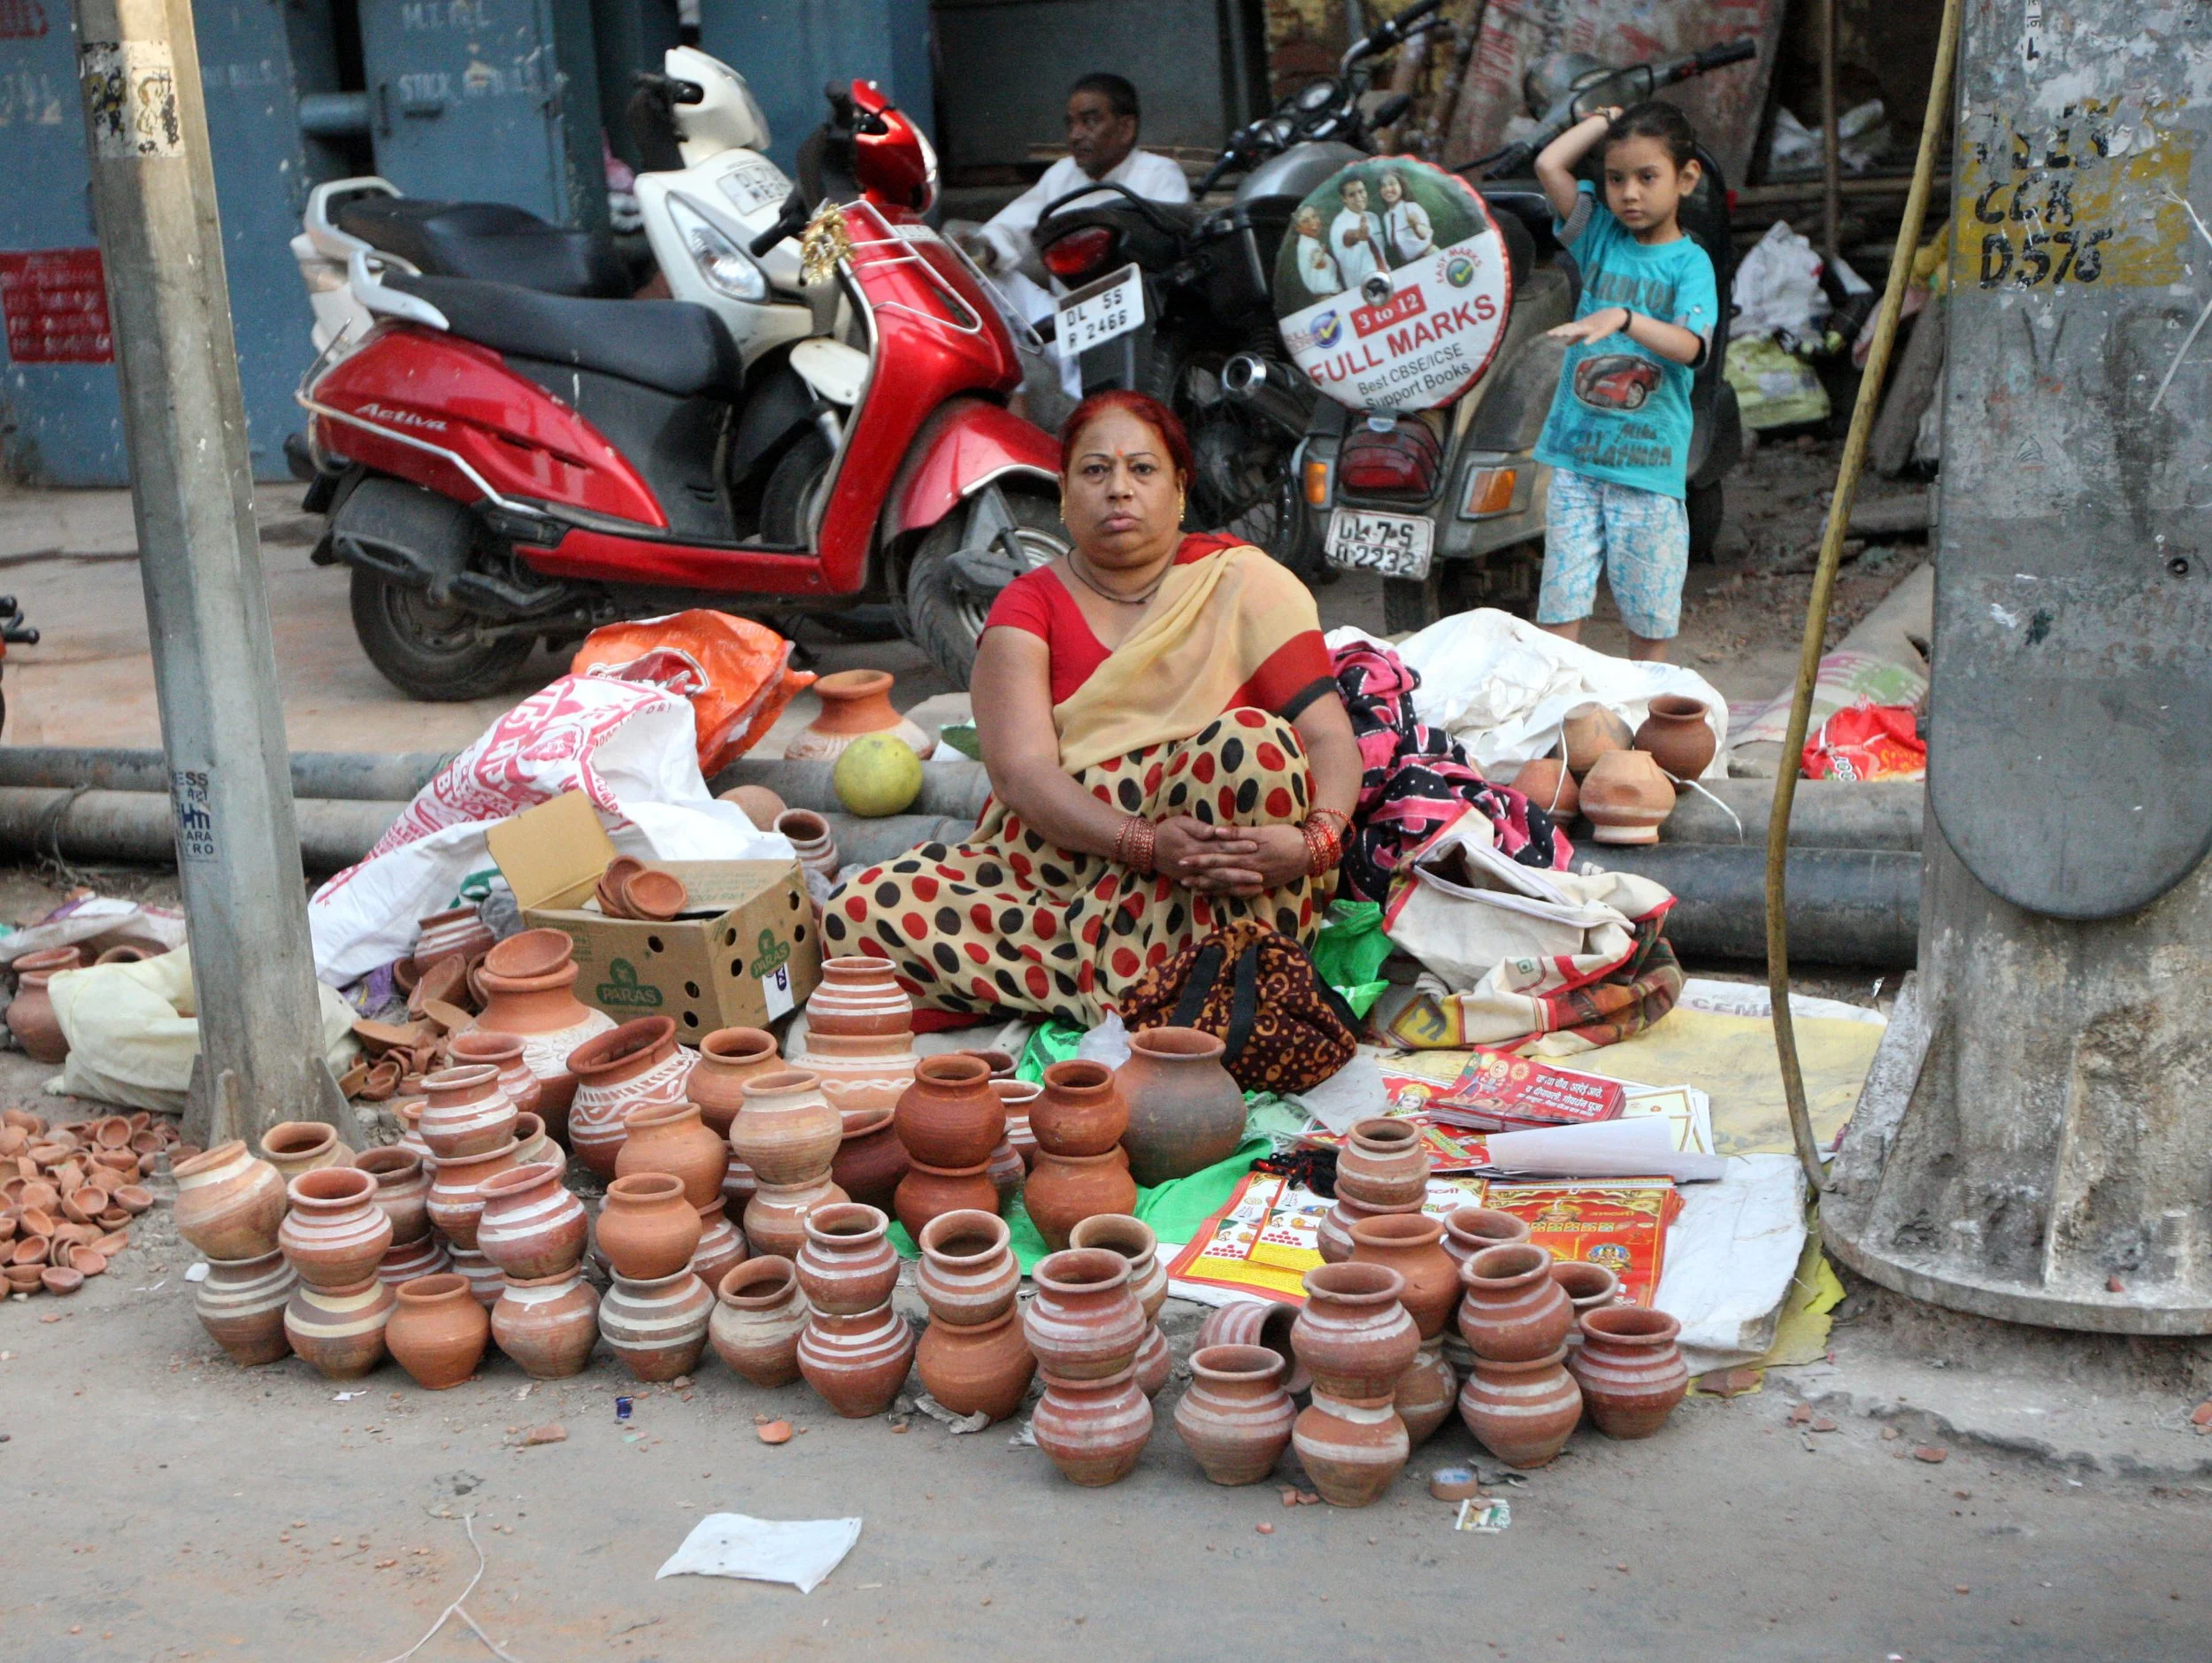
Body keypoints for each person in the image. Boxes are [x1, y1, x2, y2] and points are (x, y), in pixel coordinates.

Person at [826, 391, 1364, 1028]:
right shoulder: (1028, 604)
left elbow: (1329, 737)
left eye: (1142, 469)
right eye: (1094, 470)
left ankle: (1156, 985)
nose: (1118, 489)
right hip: (1064, 873)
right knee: (861, 913)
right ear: (1062, 491)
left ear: (1180, 489)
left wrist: (1313, 845)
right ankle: (1186, 993)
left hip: (1215, 882)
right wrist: (1141, 843)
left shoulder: (1242, 579)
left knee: (1251, 746)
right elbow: (1023, 775)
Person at [1529, 101, 1718, 663]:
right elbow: (1549, 166)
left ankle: (1647, 731)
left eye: (1647, 177)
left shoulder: (1691, 266)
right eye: (1616, 178)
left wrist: (1626, 318)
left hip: (1647, 466)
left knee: (1649, 613)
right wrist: (1602, 120)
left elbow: (1691, 347)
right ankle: (1558, 725)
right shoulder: (1599, 237)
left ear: (1685, 179)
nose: (1629, 193)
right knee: (1560, 608)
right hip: (1576, 458)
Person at [960, 73, 1190, 279]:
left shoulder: (1159, 174)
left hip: (1141, 310)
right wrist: (984, 249)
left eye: (1090, 121)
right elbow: (1009, 228)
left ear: (1125, 129)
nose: (1075, 135)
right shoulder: (1061, 174)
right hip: (1065, 313)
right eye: (1071, 124)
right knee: (990, 281)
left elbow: (1170, 253)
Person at [1328, 175, 1386, 291]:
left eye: (1361, 191)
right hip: (1363, 291)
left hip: (1387, 280)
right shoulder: (1339, 224)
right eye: (1352, 195)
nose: (1359, 197)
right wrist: (1358, 235)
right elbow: (1348, 237)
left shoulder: (1373, 218)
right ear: (1344, 199)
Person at [1377, 168, 1434, 266]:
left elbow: (1424, 233)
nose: (1388, 189)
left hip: (1428, 258)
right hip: (1411, 265)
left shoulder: (1411, 207)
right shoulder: (1387, 217)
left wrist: (1416, 226)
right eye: (1383, 186)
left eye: (1392, 184)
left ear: (1401, 186)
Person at [1291, 204, 1341, 297]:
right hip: (1328, 299)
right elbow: (1314, 254)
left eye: (1314, 216)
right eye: (1305, 221)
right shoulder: (1308, 245)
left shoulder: (1307, 242)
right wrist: (1317, 261)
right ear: (1298, 228)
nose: (1312, 222)